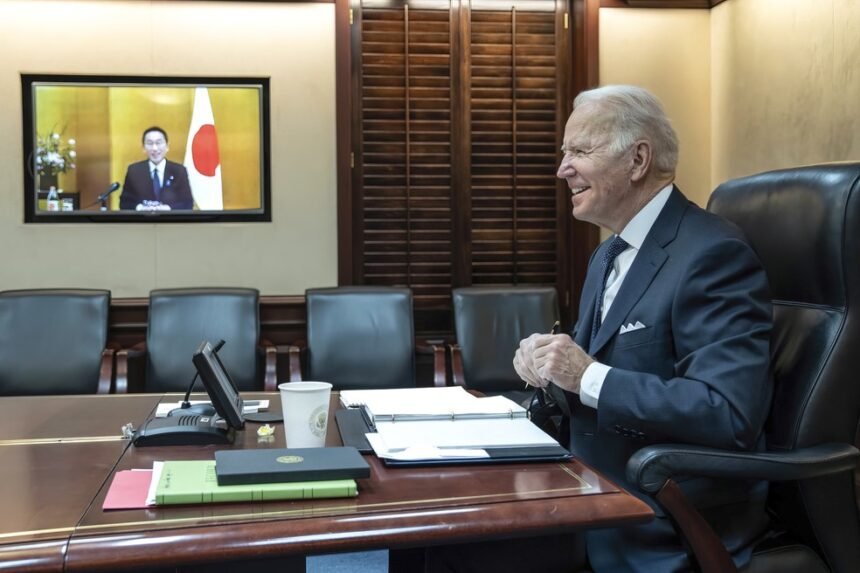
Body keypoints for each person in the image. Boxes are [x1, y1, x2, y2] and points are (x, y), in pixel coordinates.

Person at [428, 85, 773, 572]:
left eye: (579, 151)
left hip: (655, 510)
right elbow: (586, 379)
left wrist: (585, 375)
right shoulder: (607, 255)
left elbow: (727, 414)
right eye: (564, 152)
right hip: (585, 477)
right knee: (434, 522)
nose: (562, 168)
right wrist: (546, 367)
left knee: (450, 544)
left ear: (637, 160)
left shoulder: (713, 255)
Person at [119, 126, 194, 210]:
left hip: (171, 221)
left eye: (158, 143)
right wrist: (141, 208)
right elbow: (125, 202)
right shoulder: (134, 171)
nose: (154, 148)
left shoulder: (179, 171)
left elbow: (187, 203)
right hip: (142, 221)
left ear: (167, 146)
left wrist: (168, 208)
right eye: (150, 143)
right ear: (143, 148)